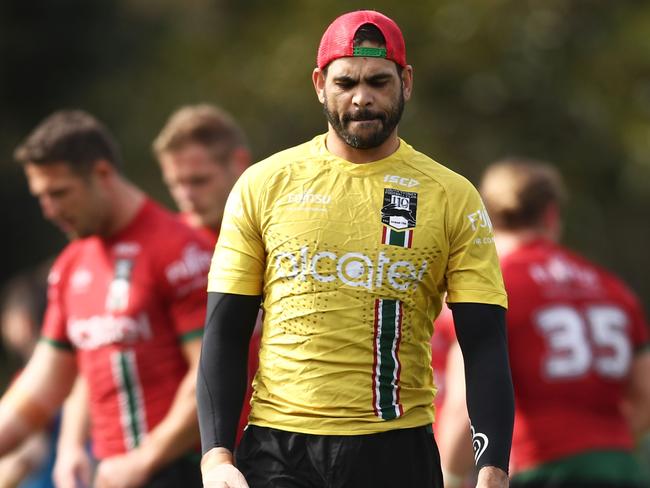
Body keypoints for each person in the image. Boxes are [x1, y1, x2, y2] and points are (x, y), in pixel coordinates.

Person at [197, 10, 514, 488]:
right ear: (319, 84)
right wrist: (216, 457)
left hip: (397, 449)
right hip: (280, 450)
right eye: (346, 82)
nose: (362, 98)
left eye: (378, 82)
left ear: (406, 82)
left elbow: (485, 342)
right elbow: (225, 328)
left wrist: (493, 470)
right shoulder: (264, 184)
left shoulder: (451, 195)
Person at [0, 110, 214, 488]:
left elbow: (213, 373)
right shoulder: (69, 266)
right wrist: (73, 449)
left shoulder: (181, 250)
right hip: (114, 472)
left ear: (101, 174)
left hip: (184, 469)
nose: (49, 210)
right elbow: (42, 382)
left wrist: (143, 460)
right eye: (41, 196)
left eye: (59, 193)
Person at [437, 158, 650, 487]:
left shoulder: (490, 288)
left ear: (486, 215)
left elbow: (465, 408)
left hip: (539, 469)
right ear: (551, 214)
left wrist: (448, 478)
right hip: (620, 468)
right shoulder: (611, 287)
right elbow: (645, 395)